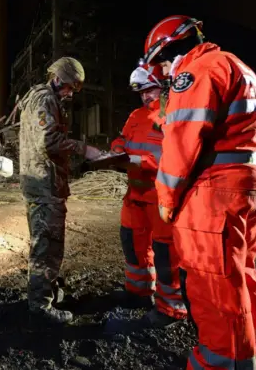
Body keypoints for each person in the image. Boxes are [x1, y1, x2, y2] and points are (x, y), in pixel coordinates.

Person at [142, 15, 256, 369]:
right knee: (241, 275)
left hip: (217, 189)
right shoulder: (237, 65)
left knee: (212, 286)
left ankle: (220, 363)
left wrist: (167, 199)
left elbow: (182, 140)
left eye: (161, 65)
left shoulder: (195, 71)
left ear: (169, 51)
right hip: (252, 183)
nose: (165, 75)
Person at [19, 56, 102, 324]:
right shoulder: (45, 99)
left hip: (41, 182)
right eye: (69, 87)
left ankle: (47, 291)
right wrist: (83, 148)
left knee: (44, 242)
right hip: (45, 185)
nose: (69, 93)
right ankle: (41, 307)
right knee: (47, 247)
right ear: (57, 78)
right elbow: (48, 142)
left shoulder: (38, 97)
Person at [109, 63, 188, 327]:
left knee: (166, 254)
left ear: (164, 85)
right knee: (132, 243)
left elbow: (177, 156)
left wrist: (141, 160)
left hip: (161, 196)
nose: (145, 96)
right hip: (135, 193)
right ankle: (139, 292)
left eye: (149, 90)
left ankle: (171, 307)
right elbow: (121, 138)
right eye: (141, 92)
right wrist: (117, 149)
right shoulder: (135, 115)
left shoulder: (174, 115)